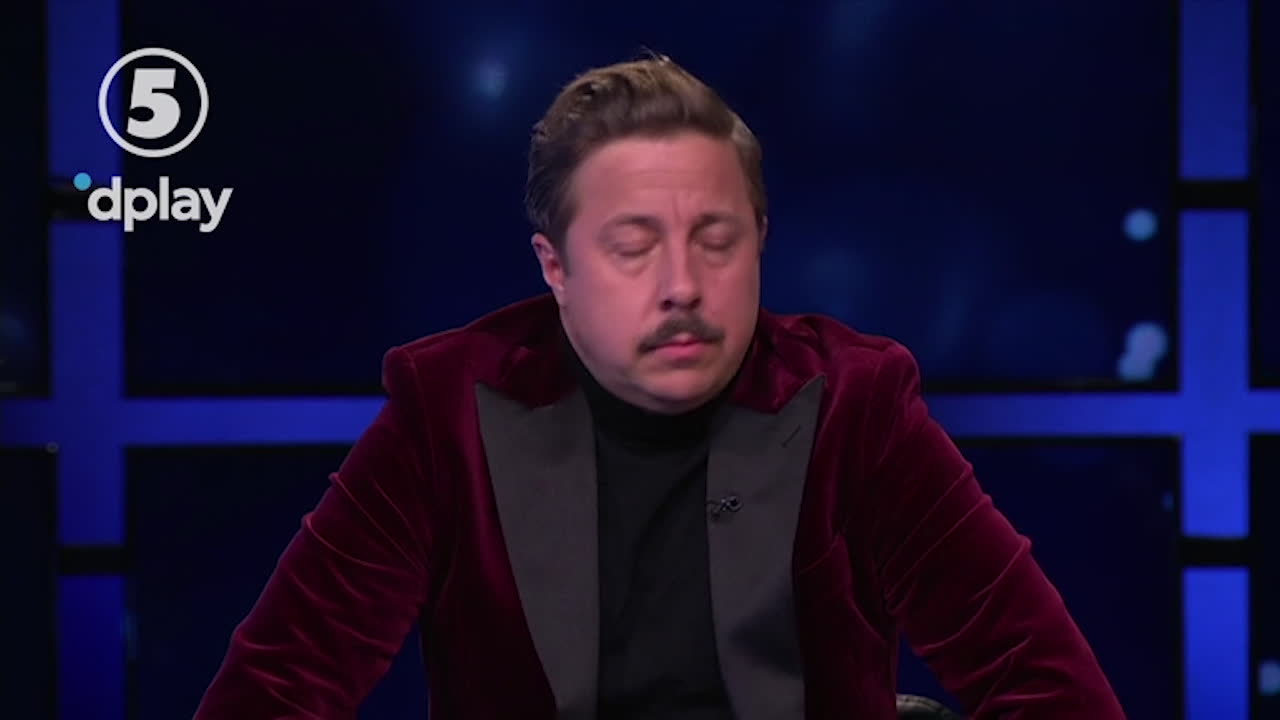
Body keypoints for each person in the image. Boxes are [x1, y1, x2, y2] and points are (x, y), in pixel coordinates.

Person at [195, 54, 1125, 719]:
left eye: (717, 241)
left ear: (762, 242)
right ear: (555, 267)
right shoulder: (449, 414)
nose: (683, 284)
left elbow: (1045, 683)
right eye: (634, 247)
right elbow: (278, 688)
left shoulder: (857, 406)